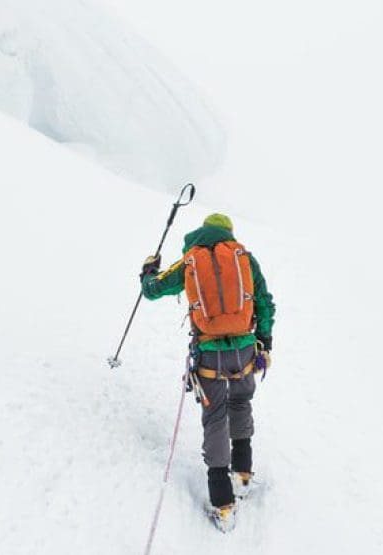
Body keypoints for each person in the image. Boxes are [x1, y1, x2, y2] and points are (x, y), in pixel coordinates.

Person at [140, 213, 275, 529]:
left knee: (215, 418)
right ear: (228, 232)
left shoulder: (190, 260)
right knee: (241, 404)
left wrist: (149, 271)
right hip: (244, 349)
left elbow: (153, 289)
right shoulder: (245, 258)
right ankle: (242, 475)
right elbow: (265, 302)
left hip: (209, 354)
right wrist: (264, 340)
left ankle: (223, 503)